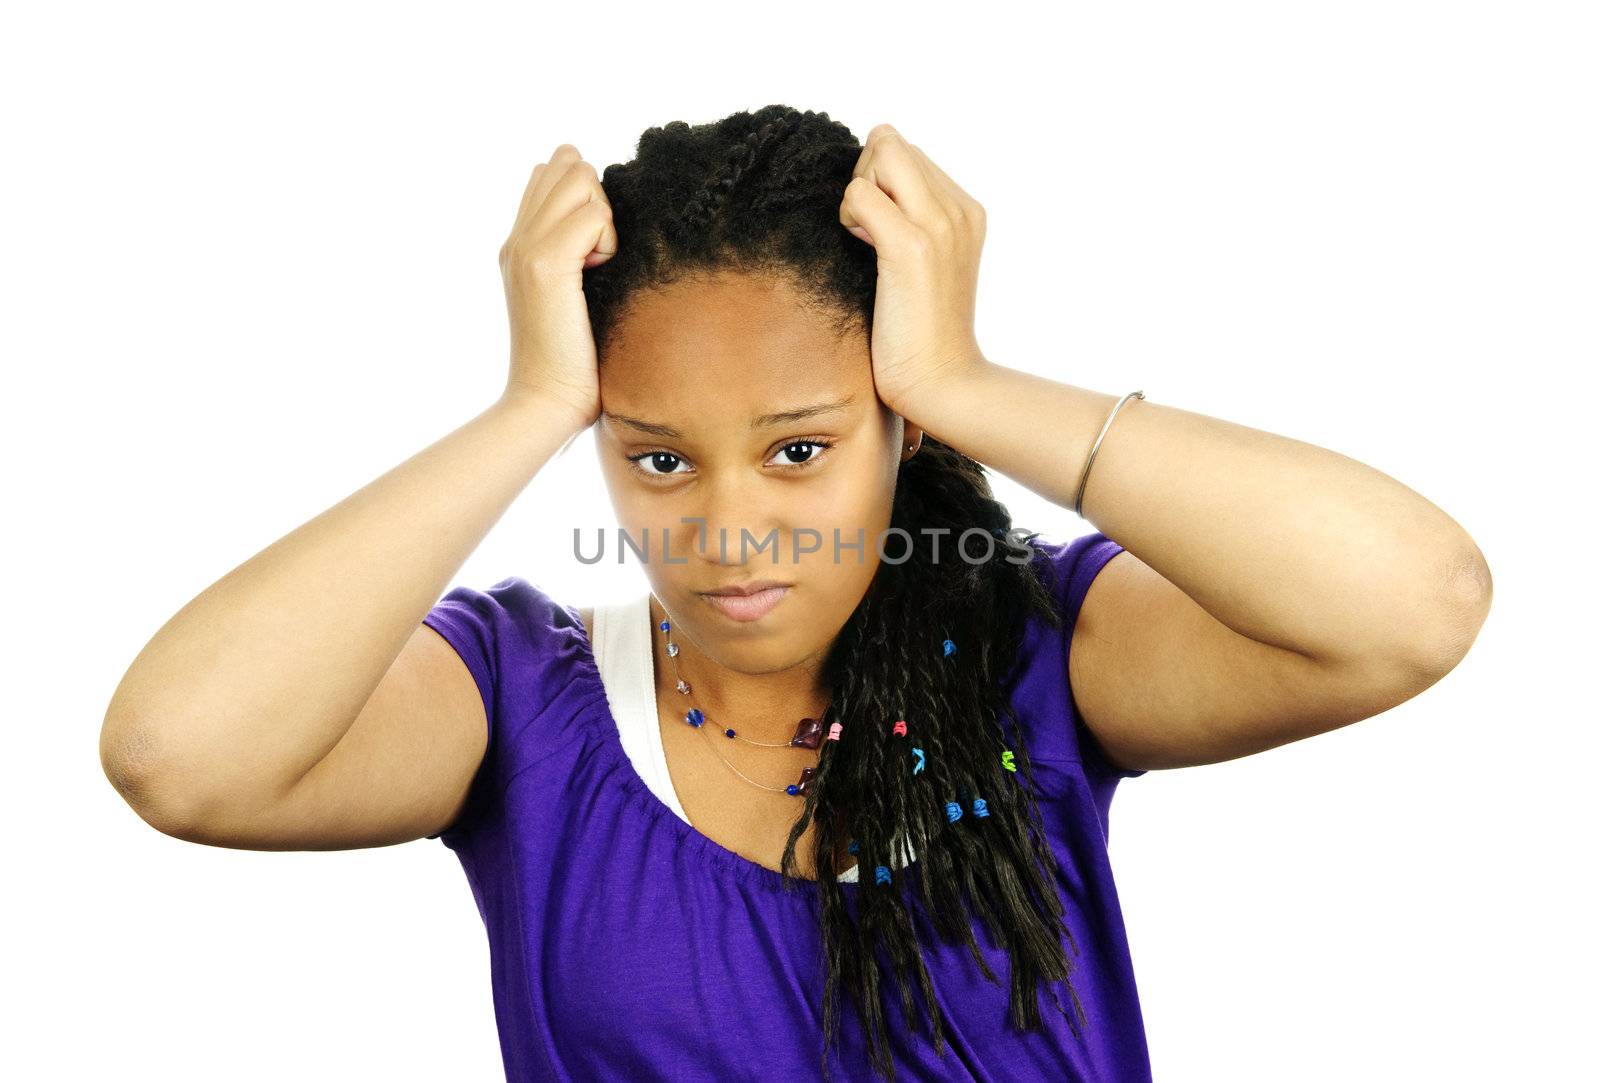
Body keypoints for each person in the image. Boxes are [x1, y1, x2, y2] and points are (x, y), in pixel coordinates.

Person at [99, 106, 1492, 1082]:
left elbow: (1414, 600)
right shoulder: (522, 705)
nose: (728, 529)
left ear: (895, 422)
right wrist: (528, 404)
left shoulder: (1042, 658)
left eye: (802, 449)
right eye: (655, 455)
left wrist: (966, 383)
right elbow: (180, 756)